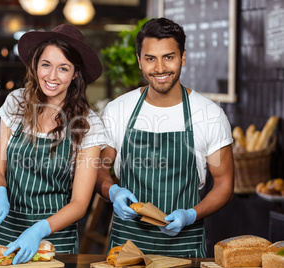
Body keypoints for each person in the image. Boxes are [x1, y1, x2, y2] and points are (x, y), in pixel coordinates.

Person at [96, 17, 234, 257]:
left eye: (168, 57)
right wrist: (112, 191)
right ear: (139, 61)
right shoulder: (118, 110)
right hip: (126, 247)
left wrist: (191, 214)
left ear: (183, 57)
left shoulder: (210, 114)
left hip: (185, 247)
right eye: (150, 58)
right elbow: (98, 169)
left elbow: (224, 184)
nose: (160, 68)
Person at [0, 24, 106, 264]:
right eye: (46, 65)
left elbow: (80, 203)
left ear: (75, 74)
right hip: (6, 232)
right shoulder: (16, 103)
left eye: (63, 68)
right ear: (35, 65)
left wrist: (39, 230)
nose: (51, 76)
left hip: (55, 239)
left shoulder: (88, 124)